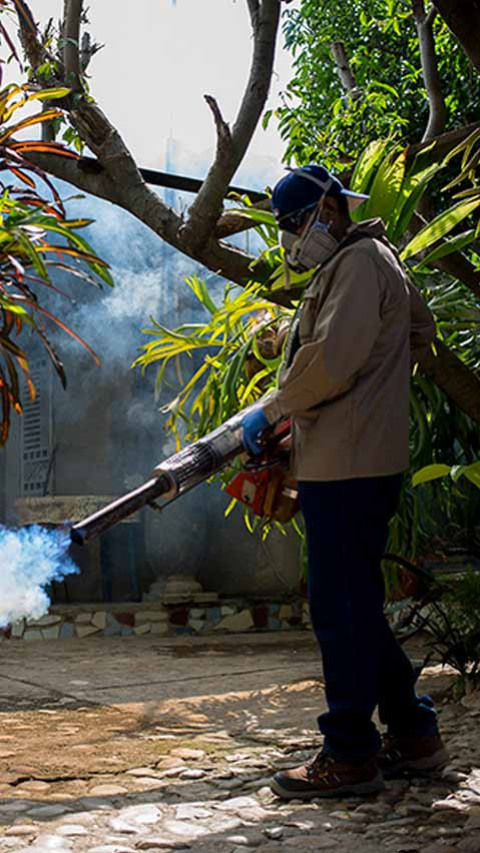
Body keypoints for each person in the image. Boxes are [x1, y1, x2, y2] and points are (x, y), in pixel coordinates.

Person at [241, 164, 448, 800]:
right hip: (350, 458)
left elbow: (333, 361)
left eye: (297, 223)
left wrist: (275, 408)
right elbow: (383, 337)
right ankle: (413, 733)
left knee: (340, 611)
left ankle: (350, 753)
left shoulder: (360, 264)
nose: (293, 238)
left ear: (330, 210)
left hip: (351, 465)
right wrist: (281, 347)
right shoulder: (357, 264)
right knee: (358, 606)